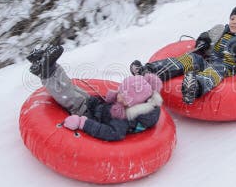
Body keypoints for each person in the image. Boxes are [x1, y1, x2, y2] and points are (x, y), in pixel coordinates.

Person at [129, 2, 236, 105]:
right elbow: (207, 35)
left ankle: (194, 87)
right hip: (209, 60)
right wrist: (203, 42)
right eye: (232, 18)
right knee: (191, 58)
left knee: (217, 69)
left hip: (228, 68)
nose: (234, 22)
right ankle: (149, 71)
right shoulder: (223, 30)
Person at [26, 45, 163, 142]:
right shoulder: (133, 101)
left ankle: (45, 73)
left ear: (131, 103)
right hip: (96, 106)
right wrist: (106, 99)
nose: (119, 94)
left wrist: (83, 123)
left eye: (123, 95)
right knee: (74, 88)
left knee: (69, 96)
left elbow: (113, 133)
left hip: (89, 115)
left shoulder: (123, 119)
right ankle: (49, 64)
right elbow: (117, 102)